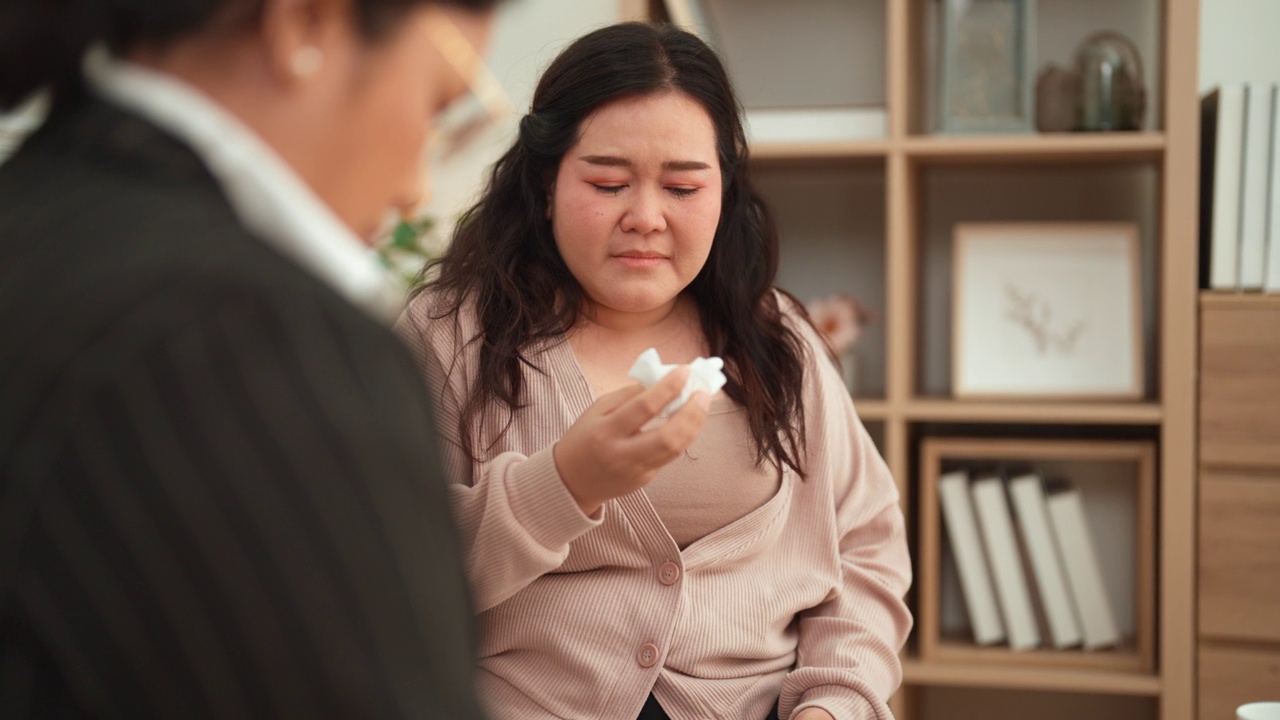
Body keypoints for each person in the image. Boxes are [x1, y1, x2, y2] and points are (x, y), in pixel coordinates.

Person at [396, 21, 914, 720]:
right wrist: (564, 484)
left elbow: (865, 552)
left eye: (683, 186)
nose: (645, 217)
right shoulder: (452, 336)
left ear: (724, 192)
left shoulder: (778, 339)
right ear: (545, 183)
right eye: (608, 183)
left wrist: (834, 704)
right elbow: (392, 573)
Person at [0, 0, 503, 716]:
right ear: (303, 22)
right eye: (438, 103)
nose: (413, 187)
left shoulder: (36, 218)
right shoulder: (257, 338)